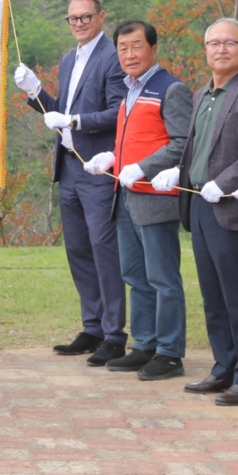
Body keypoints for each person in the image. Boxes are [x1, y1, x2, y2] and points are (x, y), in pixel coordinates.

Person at [162, 17, 238, 406]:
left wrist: (225, 182)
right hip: (197, 203)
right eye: (214, 43)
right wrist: (171, 172)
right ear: (206, 49)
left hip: (230, 208)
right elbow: (193, 148)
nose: (221, 49)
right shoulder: (200, 96)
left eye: (230, 43)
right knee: (212, 294)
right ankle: (223, 366)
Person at [14, 0, 128, 365]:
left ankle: (114, 333)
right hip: (69, 168)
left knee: (103, 249)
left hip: (97, 166)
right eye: (73, 18)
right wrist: (35, 93)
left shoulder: (113, 58)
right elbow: (59, 112)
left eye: (85, 17)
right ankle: (92, 326)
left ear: (101, 17)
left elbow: (117, 112)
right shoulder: (68, 60)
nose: (78, 23)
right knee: (78, 249)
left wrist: (76, 121)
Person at [82, 20, 191, 381]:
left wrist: (143, 167)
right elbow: (133, 137)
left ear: (153, 48)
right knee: (135, 275)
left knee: (162, 278)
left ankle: (170, 353)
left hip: (155, 198)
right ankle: (144, 344)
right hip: (125, 195)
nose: (129, 54)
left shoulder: (170, 88)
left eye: (136, 46)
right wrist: (112, 157)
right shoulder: (129, 89)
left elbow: (181, 144)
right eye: (123, 48)